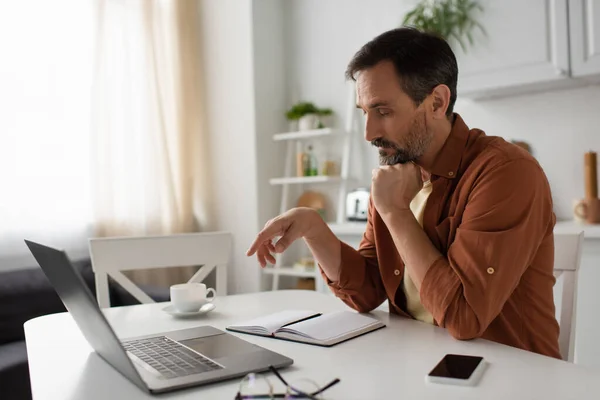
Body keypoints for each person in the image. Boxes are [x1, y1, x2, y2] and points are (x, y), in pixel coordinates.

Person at [247, 28, 560, 359]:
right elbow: (367, 292)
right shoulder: (397, 171)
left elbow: (464, 317)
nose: (369, 133)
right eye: (364, 112)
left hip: (511, 376)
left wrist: (395, 213)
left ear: (437, 102)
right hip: (419, 366)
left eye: (383, 111)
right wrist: (313, 227)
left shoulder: (504, 172)